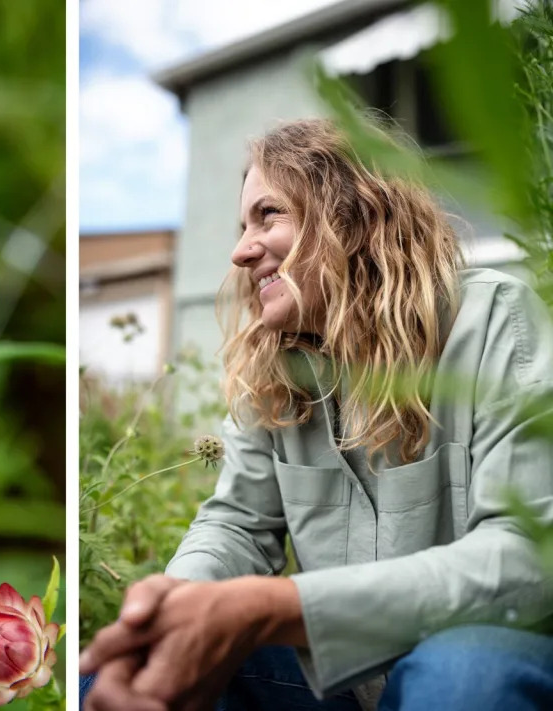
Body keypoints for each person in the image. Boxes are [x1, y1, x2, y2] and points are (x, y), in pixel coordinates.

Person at [79, 118, 553, 711]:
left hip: (480, 666)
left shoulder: (495, 323)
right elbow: (236, 526)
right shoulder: (274, 371)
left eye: (268, 214)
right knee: (132, 662)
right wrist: (172, 608)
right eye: (241, 225)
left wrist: (281, 606)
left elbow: (528, 555)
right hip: (342, 685)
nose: (241, 249)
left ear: (352, 215)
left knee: (460, 673)